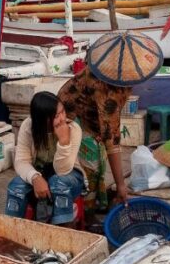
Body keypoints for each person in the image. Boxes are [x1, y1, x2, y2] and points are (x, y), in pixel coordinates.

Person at [58, 30, 162, 212]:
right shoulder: (108, 89)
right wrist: (121, 185)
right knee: (89, 171)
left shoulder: (114, 77)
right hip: (71, 121)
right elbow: (111, 138)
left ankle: (96, 204)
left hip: (89, 120)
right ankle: (83, 212)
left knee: (99, 164)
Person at [6, 91, 84, 226]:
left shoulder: (73, 129)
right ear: (43, 119)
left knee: (58, 182)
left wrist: (64, 141)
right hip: (40, 175)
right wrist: (35, 177)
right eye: (56, 116)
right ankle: (11, 231)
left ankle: (61, 233)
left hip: (70, 177)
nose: (62, 119)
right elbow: (21, 161)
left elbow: (62, 171)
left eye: (63, 112)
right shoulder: (28, 126)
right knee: (16, 186)